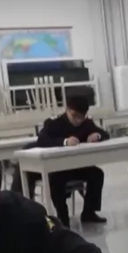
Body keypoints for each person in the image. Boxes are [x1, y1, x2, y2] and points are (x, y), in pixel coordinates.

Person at [35, 94, 111, 226]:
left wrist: (97, 135)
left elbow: (105, 134)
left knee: (97, 174)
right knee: (55, 181)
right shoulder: (54, 123)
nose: (78, 120)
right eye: (75, 116)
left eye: (81, 117)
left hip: (77, 166)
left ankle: (89, 212)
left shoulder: (87, 124)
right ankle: (63, 217)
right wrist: (64, 142)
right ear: (67, 110)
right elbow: (42, 140)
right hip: (58, 167)